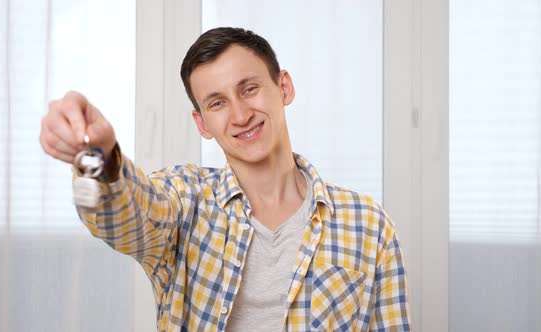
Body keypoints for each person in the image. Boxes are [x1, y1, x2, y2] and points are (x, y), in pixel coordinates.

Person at [39, 27, 411, 331]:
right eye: (217, 103)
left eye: (249, 89)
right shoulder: (184, 201)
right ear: (201, 123)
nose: (240, 114)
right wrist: (101, 157)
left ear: (284, 88)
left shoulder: (368, 225)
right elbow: (125, 219)